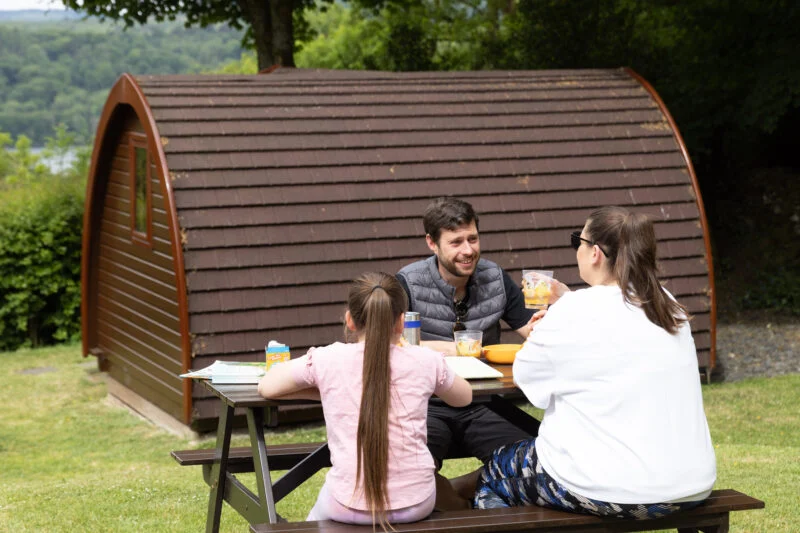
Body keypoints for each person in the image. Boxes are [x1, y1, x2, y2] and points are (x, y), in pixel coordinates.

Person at [474, 206, 717, 519]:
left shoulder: (574, 311)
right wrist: (569, 301)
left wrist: (544, 329)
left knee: (492, 478)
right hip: (691, 484)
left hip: (604, 487)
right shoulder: (666, 303)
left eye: (579, 240)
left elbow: (527, 380)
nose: (577, 249)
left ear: (596, 253)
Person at [257, 272, 472, 528]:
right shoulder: (426, 360)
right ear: (402, 322)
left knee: (312, 520)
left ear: (349, 320)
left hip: (346, 504)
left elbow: (267, 386)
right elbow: (463, 397)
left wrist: (321, 390)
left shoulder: (328, 359)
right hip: (417, 502)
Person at [396, 196, 568, 509]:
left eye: (473, 239)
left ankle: (463, 488)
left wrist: (555, 316)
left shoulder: (494, 276)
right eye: (456, 242)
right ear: (431, 244)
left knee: (544, 458)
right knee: (406, 471)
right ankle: (463, 510)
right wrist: (454, 350)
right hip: (426, 403)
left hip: (485, 403)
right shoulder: (407, 283)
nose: (468, 250)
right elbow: (390, 345)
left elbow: (531, 332)